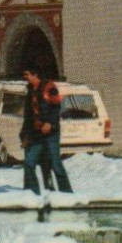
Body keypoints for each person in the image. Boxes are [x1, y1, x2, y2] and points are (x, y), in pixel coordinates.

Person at [20, 66, 72, 195]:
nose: (25, 77)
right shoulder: (30, 90)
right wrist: (25, 135)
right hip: (36, 134)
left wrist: (49, 123)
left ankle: (67, 194)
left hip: (51, 134)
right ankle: (33, 193)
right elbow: (28, 116)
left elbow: (56, 107)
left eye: (27, 74)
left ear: (35, 74)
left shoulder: (49, 87)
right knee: (29, 163)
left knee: (55, 164)